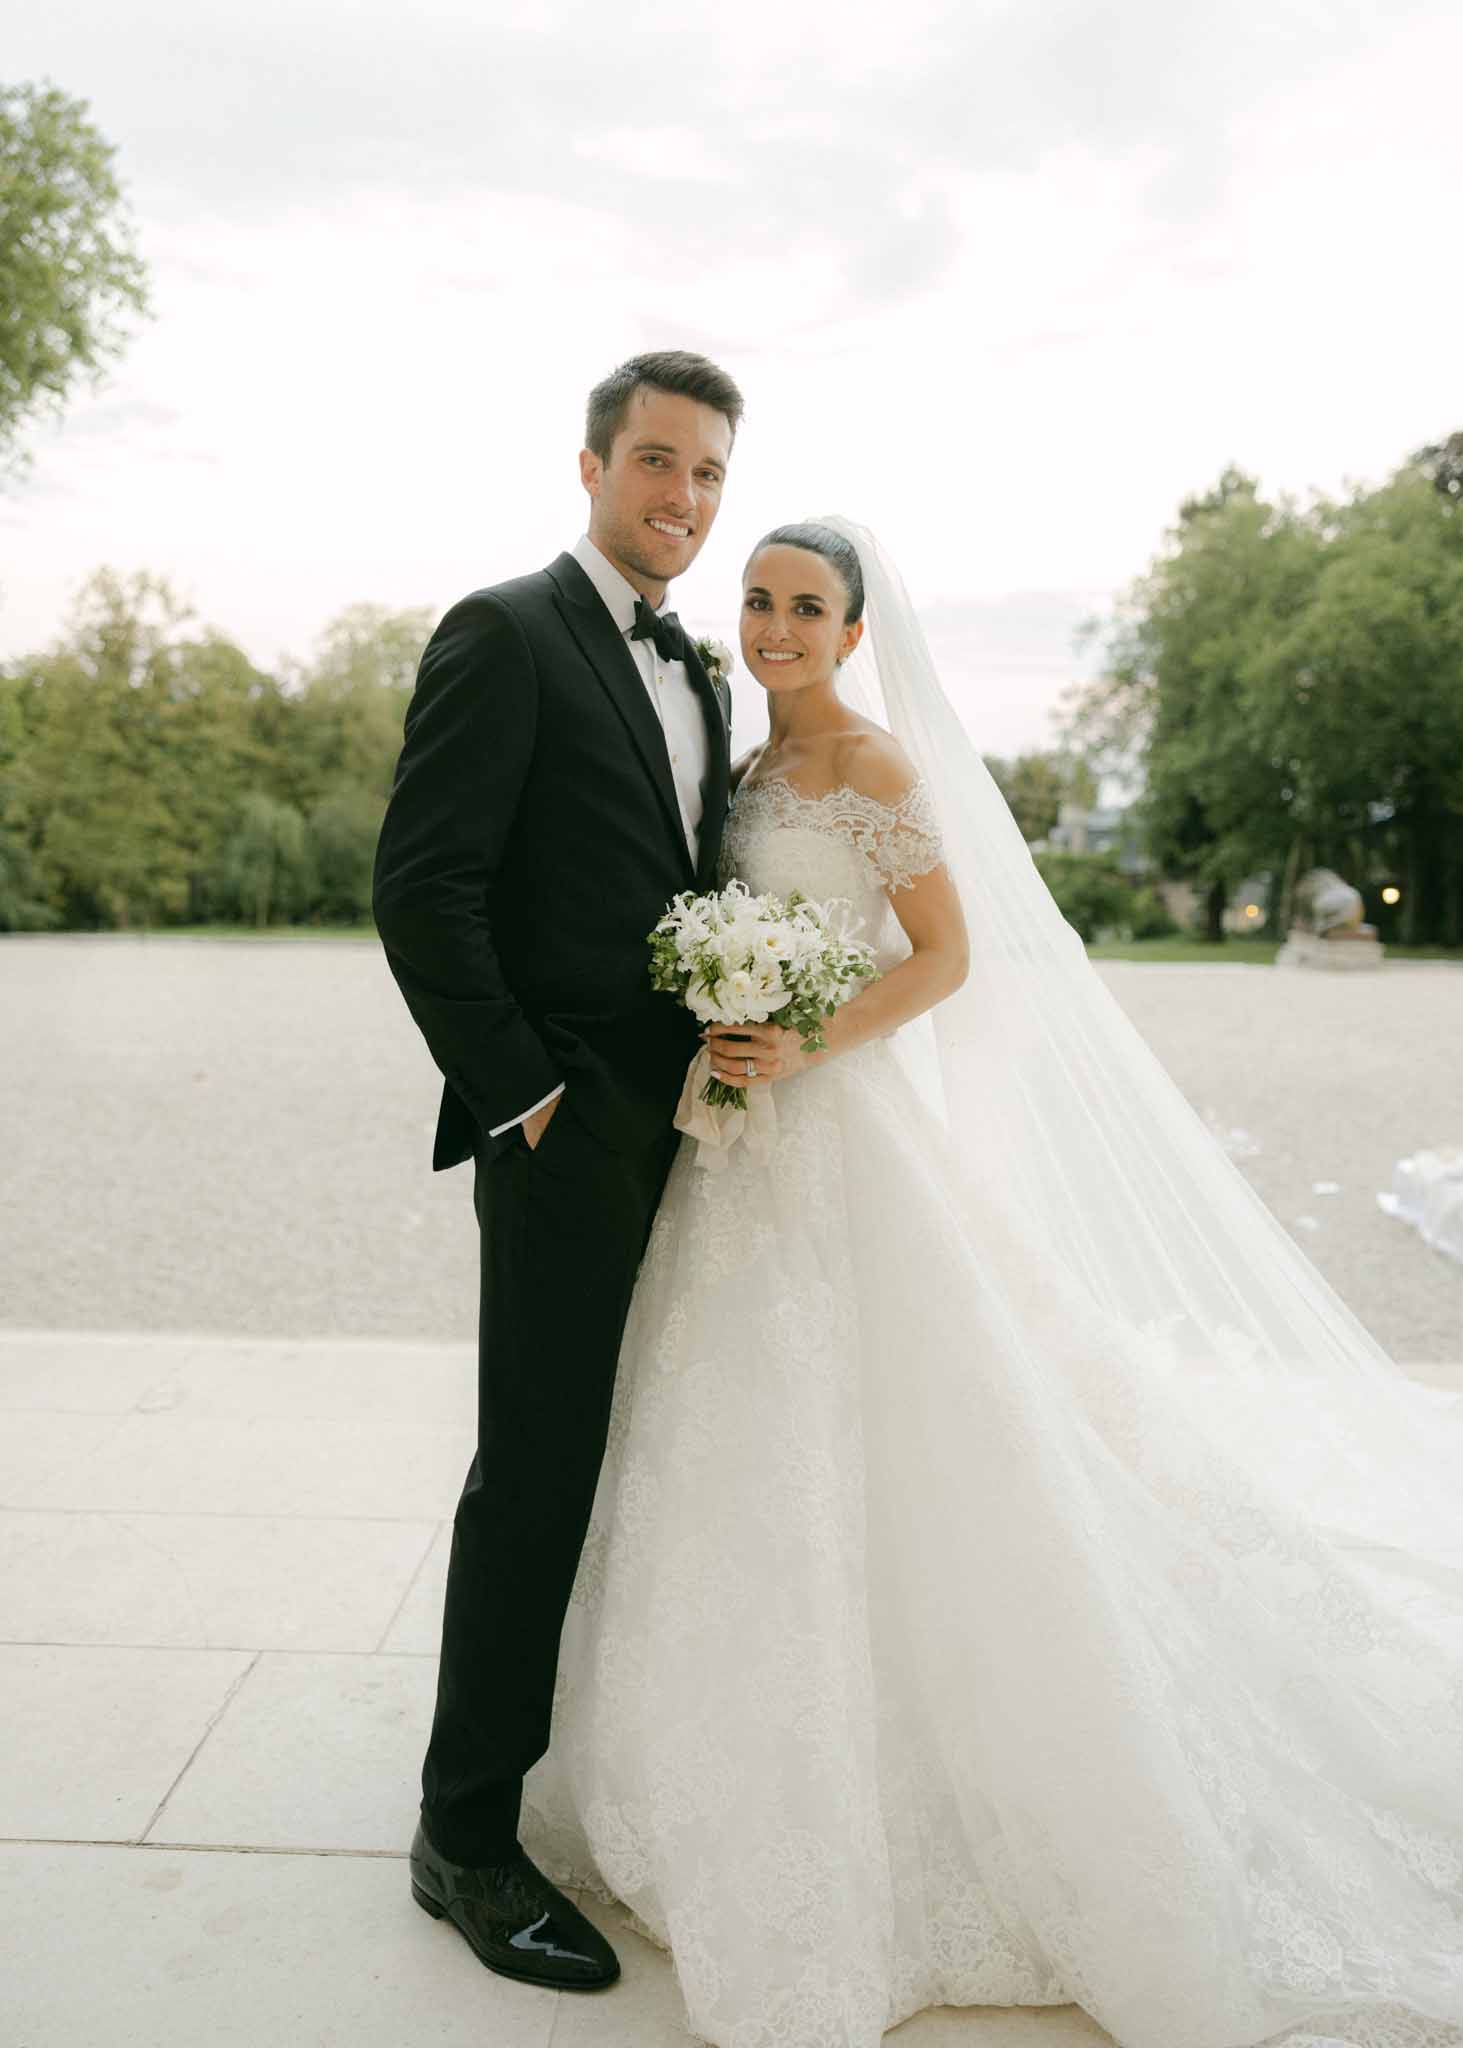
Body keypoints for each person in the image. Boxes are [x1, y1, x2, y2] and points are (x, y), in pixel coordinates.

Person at [518, 520, 1463, 2048]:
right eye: (757, 600)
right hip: (738, 1146)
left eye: (806, 606)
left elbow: (945, 958)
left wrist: (804, 1038)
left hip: (839, 1133)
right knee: (732, 1438)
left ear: (851, 626)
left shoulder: (879, 770)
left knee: (900, 1435)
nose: (773, 626)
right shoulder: (752, 775)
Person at [372, 349, 743, 1991]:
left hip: (710, 1136)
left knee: (658, 1459)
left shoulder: (710, 675)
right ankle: (462, 1835)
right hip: (569, 1131)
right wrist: (526, 1100)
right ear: (591, 466)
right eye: (658, 461)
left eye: (709, 474)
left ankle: (617, 1771)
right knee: (533, 1472)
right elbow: (424, 888)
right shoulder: (504, 634)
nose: (683, 497)